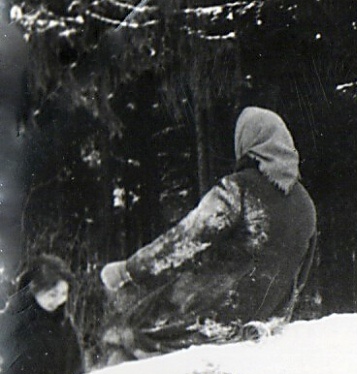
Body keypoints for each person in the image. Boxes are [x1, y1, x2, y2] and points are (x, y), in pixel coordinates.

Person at [100, 106, 317, 358]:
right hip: (262, 326)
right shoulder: (306, 205)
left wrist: (130, 269)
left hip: (209, 317)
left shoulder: (239, 189)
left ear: (247, 141)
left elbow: (184, 240)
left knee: (128, 331)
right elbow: (300, 276)